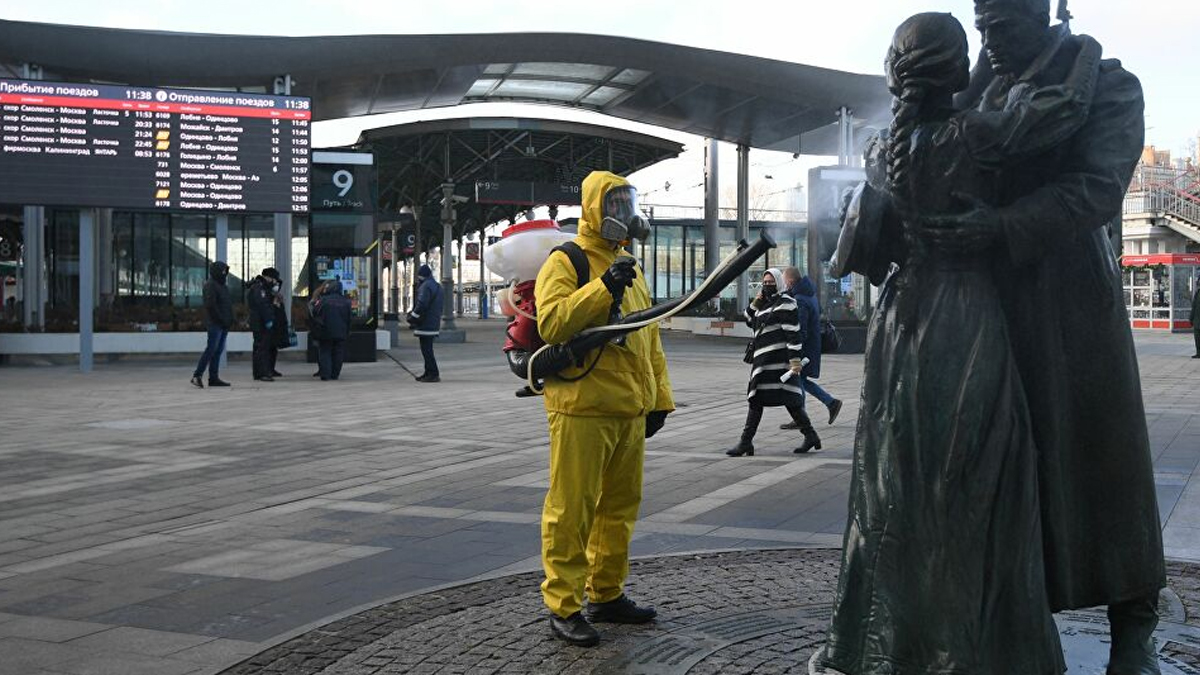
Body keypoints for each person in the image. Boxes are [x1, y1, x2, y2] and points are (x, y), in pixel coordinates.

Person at [816, 12, 1104, 674]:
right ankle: (968, 646)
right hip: (963, 313)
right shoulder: (973, 137)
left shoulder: (879, 150)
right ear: (956, 71)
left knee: (893, 479)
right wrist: (1083, 51)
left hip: (899, 319)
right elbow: (1058, 110)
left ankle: (877, 641)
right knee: (972, 475)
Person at [942, 1, 1165, 671]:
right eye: (982, 26)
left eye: (1001, 24)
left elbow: (1097, 187)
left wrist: (1004, 227)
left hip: (1071, 306)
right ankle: (1013, 615)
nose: (990, 38)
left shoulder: (1106, 83)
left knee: (1105, 460)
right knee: (1001, 466)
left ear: (1041, 14)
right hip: (992, 303)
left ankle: (1134, 626)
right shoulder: (979, 90)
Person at [535, 170, 672, 647]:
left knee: (619, 509)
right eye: (614, 205)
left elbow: (649, 337)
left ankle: (606, 593)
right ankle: (564, 605)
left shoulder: (628, 263)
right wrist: (602, 288)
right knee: (572, 509)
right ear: (595, 209)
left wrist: (658, 401)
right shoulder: (567, 259)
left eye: (627, 203)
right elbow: (551, 324)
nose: (623, 214)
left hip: (628, 410)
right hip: (582, 406)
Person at [726, 268, 821, 457]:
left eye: (771, 282)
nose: (767, 285)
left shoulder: (787, 303)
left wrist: (795, 361)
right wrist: (758, 300)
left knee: (783, 400)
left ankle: (746, 442)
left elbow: (792, 333)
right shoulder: (764, 303)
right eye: (765, 282)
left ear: (779, 283)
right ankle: (810, 436)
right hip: (763, 362)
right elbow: (748, 318)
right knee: (762, 399)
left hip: (778, 362)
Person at [779, 266, 843, 428]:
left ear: (791, 281)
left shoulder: (800, 300)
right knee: (801, 380)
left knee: (799, 379)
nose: (784, 284)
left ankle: (807, 414)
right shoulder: (809, 293)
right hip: (811, 347)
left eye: (785, 281)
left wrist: (794, 351)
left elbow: (801, 330)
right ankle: (828, 404)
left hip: (804, 349)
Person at [191, 260, 232, 388]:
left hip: (223, 323)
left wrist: (230, 319)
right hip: (215, 323)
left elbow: (227, 304)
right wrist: (221, 319)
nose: (225, 273)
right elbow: (211, 306)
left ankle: (213, 377)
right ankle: (197, 375)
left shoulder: (222, 286)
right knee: (211, 349)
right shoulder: (211, 285)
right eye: (223, 271)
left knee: (217, 350)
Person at [408, 264, 443, 383]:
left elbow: (422, 304)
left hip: (426, 324)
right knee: (427, 349)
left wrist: (412, 317)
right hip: (433, 322)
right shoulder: (438, 286)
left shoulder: (425, 286)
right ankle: (428, 372)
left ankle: (433, 373)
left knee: (426, 350)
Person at [311, 280, 351, 381]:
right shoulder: (346, 301)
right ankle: (335, 374)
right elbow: (349, 318)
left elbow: (315, 311)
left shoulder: (323, 300)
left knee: (325, 351)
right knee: (338, 353)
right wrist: (347, 330)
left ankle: (325, 374)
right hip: (341, 331)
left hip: (325, 330)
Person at [247, 271, 276, 382]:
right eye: (273, 279)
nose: (274, 282)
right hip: (261, 322)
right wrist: (268, 319)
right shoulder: (260, 288)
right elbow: (263, 305)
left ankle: (259, 372)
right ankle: (263, 373)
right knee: (262, 348)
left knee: (259, 347)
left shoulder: (259, 286)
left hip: (258, 322)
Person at [262, 268, 289, 377]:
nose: (276, 283)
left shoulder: (275, 293)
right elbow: (263, 307)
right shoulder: (263, 291)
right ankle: (266, 369)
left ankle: (271, 368)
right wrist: (274, 304)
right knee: (266, 348)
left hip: (277, 323)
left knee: (273, 348)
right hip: (268, 323)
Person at [1192, 279, 1200, 359]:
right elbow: (1194, 307)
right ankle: (1198, 353)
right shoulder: (1197, 293)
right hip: (1197, 320)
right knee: (1197, 338)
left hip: (1197, 320)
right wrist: (1191, 319)